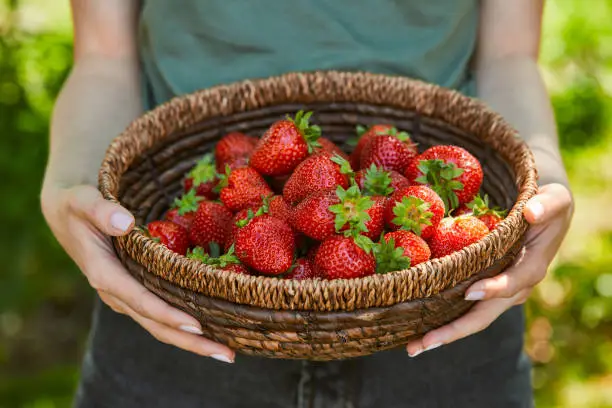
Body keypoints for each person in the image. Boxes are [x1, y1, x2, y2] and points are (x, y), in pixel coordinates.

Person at [41, 0, 573, 406]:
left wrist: (540, 176)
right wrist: (73, 178)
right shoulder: (256, 209)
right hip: (175, 310)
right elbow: (104, 55)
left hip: (452, 306)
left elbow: (509, 54)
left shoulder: (370, 204)